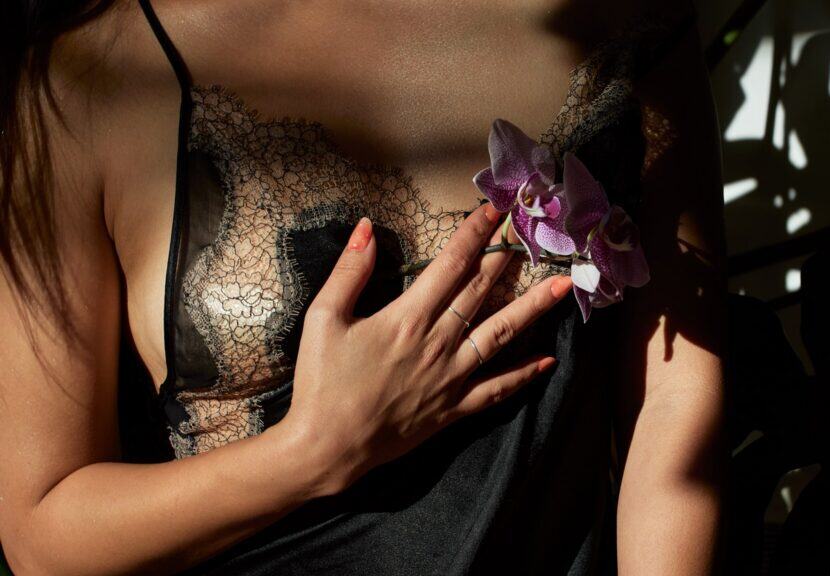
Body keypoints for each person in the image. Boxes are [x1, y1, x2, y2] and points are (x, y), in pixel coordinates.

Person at [0, 0, 726, 573]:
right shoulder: (91, 72)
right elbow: (40, 532)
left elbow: (673, 396)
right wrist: (313, 450)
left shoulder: (626, 20)